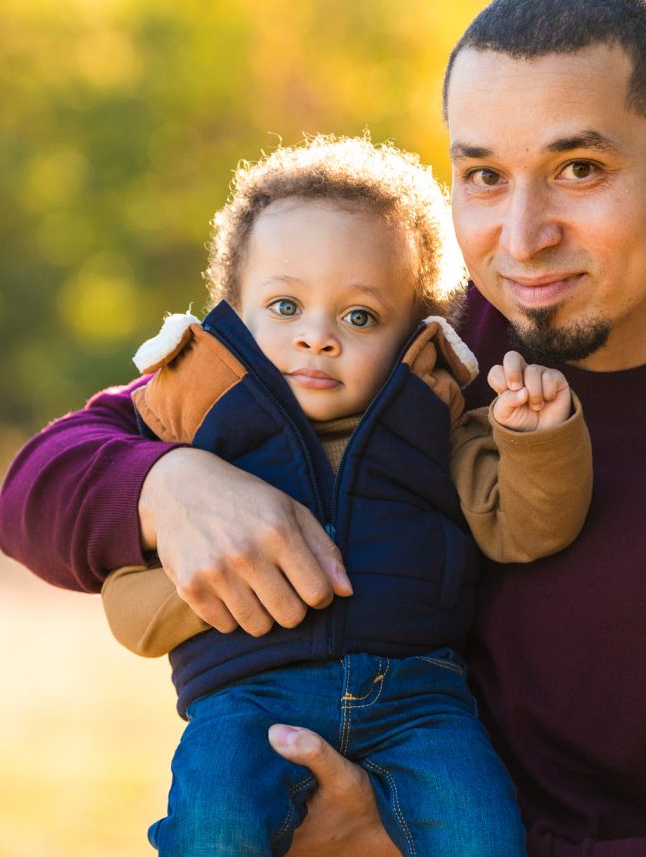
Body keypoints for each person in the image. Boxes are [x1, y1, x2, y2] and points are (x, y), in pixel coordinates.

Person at [0, 0, 646, 854]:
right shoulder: (413, 338)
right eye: (485, 176)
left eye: (580, 169)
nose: (523, 236)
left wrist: (392, 843)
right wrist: (164, 487)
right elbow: (37, 489)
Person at [107, 134, 592, 856]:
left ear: (413, 334)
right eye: (284, 306)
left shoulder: (436, 423)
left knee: (481, 833)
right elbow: (128, 606)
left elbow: (525, 526)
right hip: (248, 698)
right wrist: (225, 580)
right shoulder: (201, 435)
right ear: (234, 314)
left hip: (419, 701)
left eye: (359, 317)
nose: (317, 338)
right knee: (215, 823)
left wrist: (536, 438)